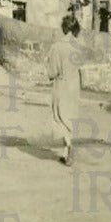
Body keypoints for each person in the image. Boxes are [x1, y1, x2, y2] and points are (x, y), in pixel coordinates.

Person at [47, 14, 82, 166]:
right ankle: (65, 153)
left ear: (64, 28)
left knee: (59, 117)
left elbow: (52, 71)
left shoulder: (57, 46)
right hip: (74, 85)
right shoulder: (78, 47)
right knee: (70, 118)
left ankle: (68, 146)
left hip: (61, 84)